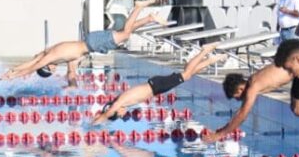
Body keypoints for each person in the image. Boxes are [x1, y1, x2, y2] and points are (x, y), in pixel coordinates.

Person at [2, 0, 167, 80]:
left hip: (91, 44)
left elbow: (35, 66)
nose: (54, 71)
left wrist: (16, 76)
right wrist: (13, 70)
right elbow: (34, 61)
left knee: (124, 34)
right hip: (90, 42)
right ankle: (149, 19)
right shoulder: (55, 54)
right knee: (123, 33)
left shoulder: (52, 57)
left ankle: (138, 7)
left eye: (51, 71)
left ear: (49, 68)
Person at [92, 43, 226, 124]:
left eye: (120, 115)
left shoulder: (120, 102)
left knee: (186, 74)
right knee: (188, 74)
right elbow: (110, 111)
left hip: (157, 86)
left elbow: (109, 111)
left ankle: (206, 50)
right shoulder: (122, 102)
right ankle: (211, 59)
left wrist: (98, 121)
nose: (122, 114)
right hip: (156, 86)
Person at [201, 65, 293, 143]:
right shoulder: (252, 83)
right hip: (296, 71)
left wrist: (219, 135)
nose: (237, 100)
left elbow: (242, 115)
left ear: (240, 89)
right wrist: (226, 127)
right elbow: (240, 112)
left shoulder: (253, 87)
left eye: (236, 97)